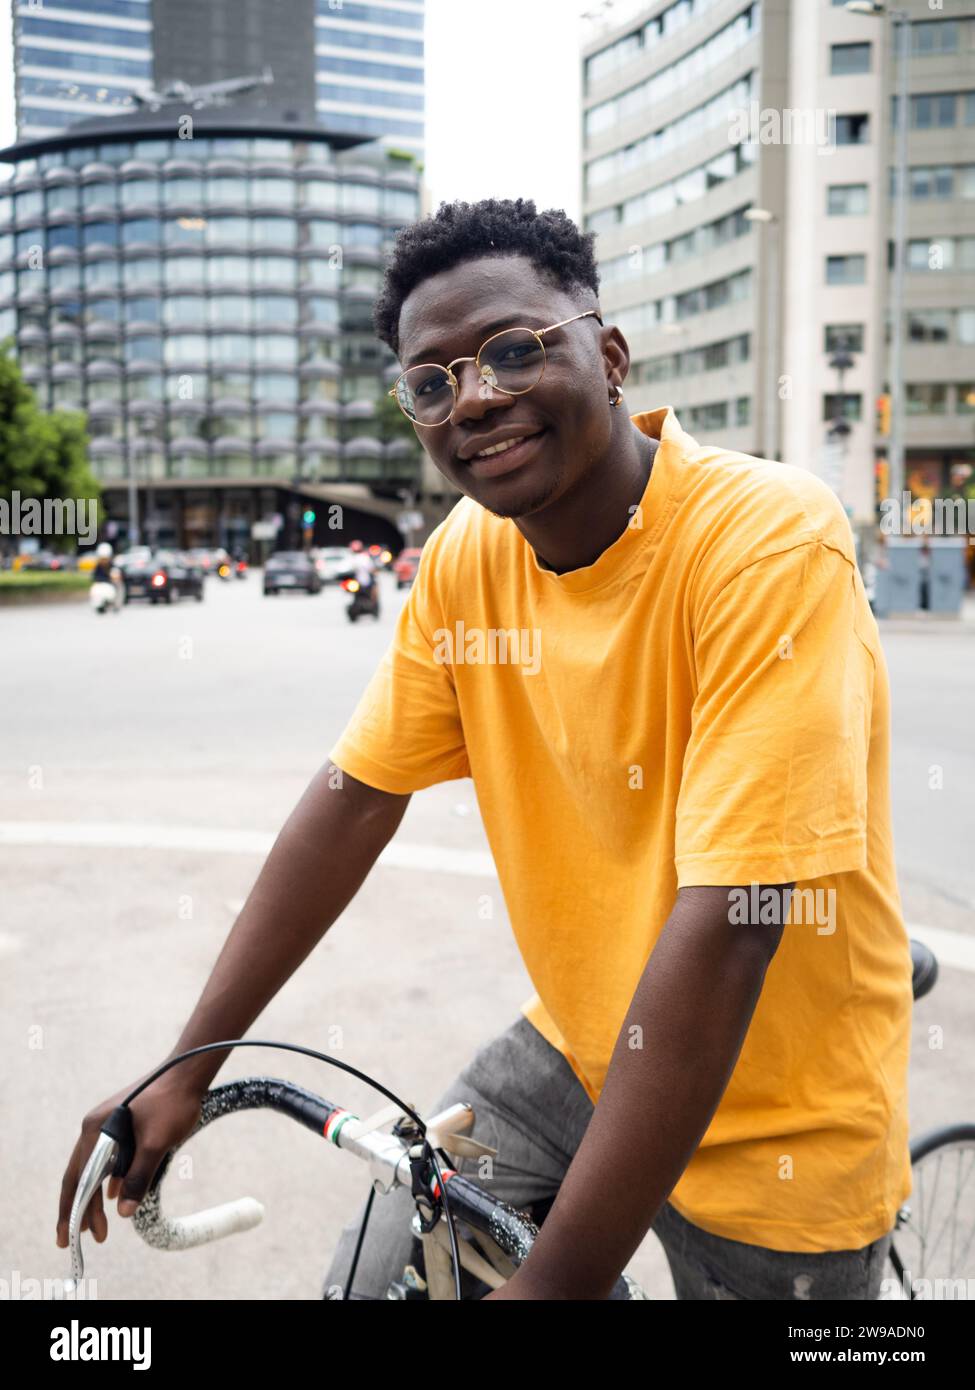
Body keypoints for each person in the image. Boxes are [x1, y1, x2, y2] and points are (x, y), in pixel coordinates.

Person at [58, 198, 912, 1301]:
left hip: (787, 1115)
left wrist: (549, 1287)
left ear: (609, 355)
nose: (477, 399)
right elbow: (354, 796)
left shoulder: (767, 543)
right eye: (433, 380)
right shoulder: (467, 558)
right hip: (583, 1047)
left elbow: (734, 927)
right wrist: (187, 1068)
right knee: (381, 1274)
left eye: (514, 351)